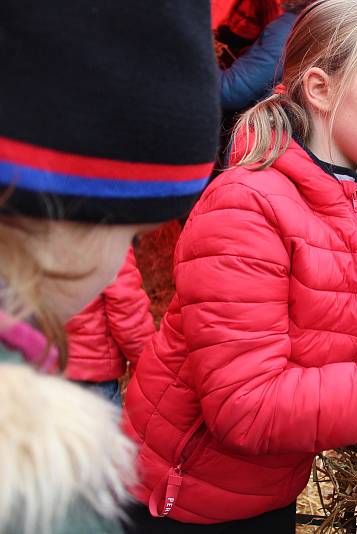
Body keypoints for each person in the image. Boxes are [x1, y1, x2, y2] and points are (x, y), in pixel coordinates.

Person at [122, 1, 357, 531]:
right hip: (180, 499)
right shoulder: (245, 206)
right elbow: (245, 407)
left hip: (270, 489)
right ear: (321, 88)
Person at [0, 2, 219, 532]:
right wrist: (142, 350)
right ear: (65, 219)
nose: (126, 256)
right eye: (133, 235)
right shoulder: (40, 478)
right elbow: (125, 304)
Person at [65, 246, 156, 405]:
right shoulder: (107, 236)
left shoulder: (28, 227)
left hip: (40, 369)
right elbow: (127, 309)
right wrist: (147, 364)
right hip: (93, 377)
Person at [219, 1, 315, 112]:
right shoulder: (304, 25)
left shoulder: (286, 29)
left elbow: (232, 91)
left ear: (264, 23)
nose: (241, 23)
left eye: (251, 20)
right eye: (240, 14)